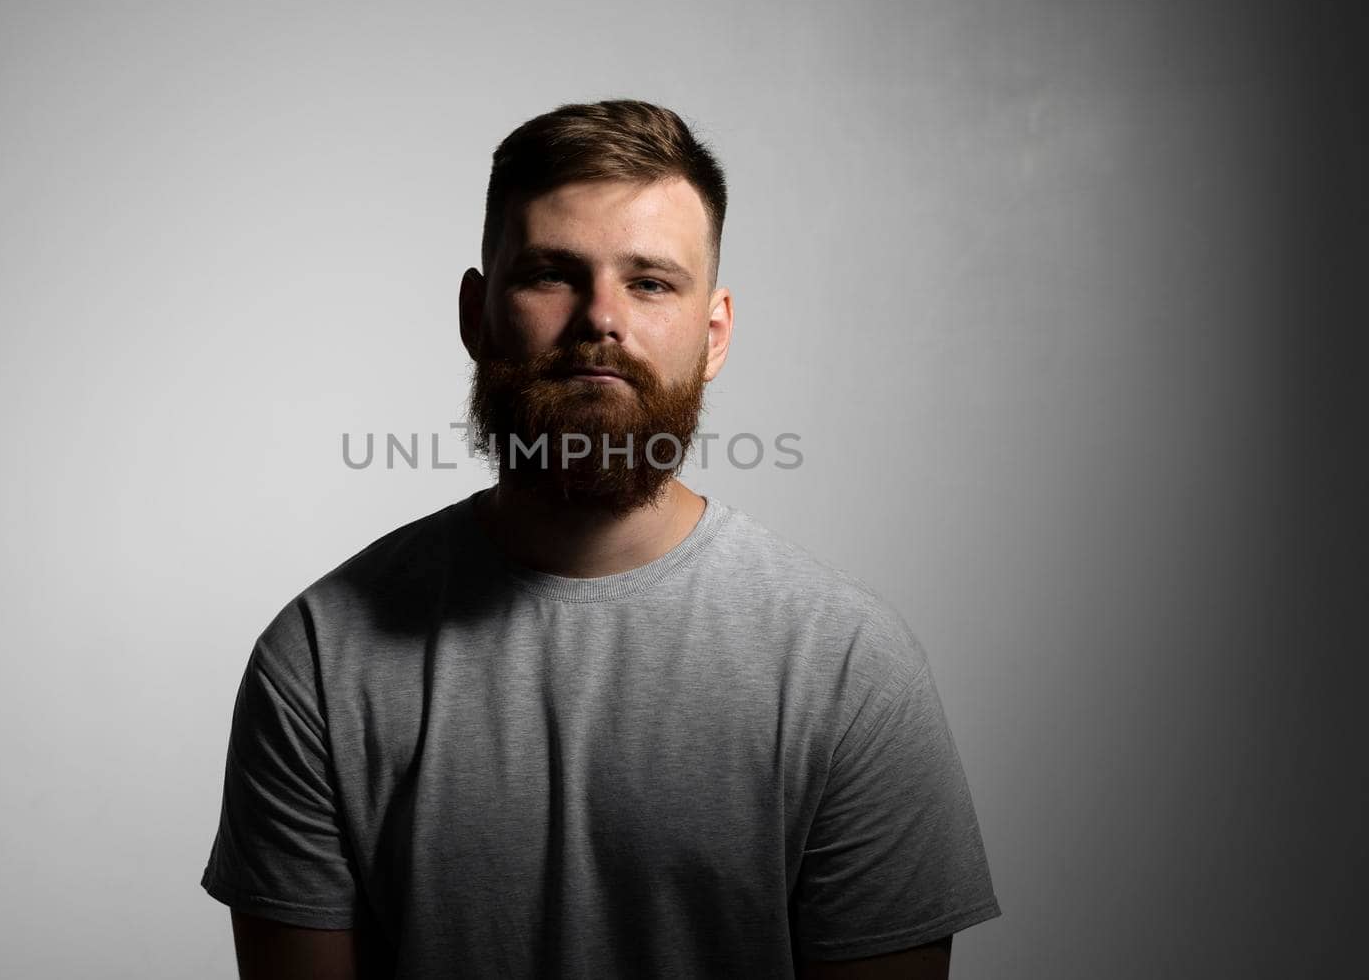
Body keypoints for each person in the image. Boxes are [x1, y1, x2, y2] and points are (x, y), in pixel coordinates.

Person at [200, 100, 1001, 978]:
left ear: (715, 333)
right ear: (476, 312)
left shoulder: (849, 670)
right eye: (551, 273)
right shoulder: (318, 659)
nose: (601, 320)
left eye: (651, 281)